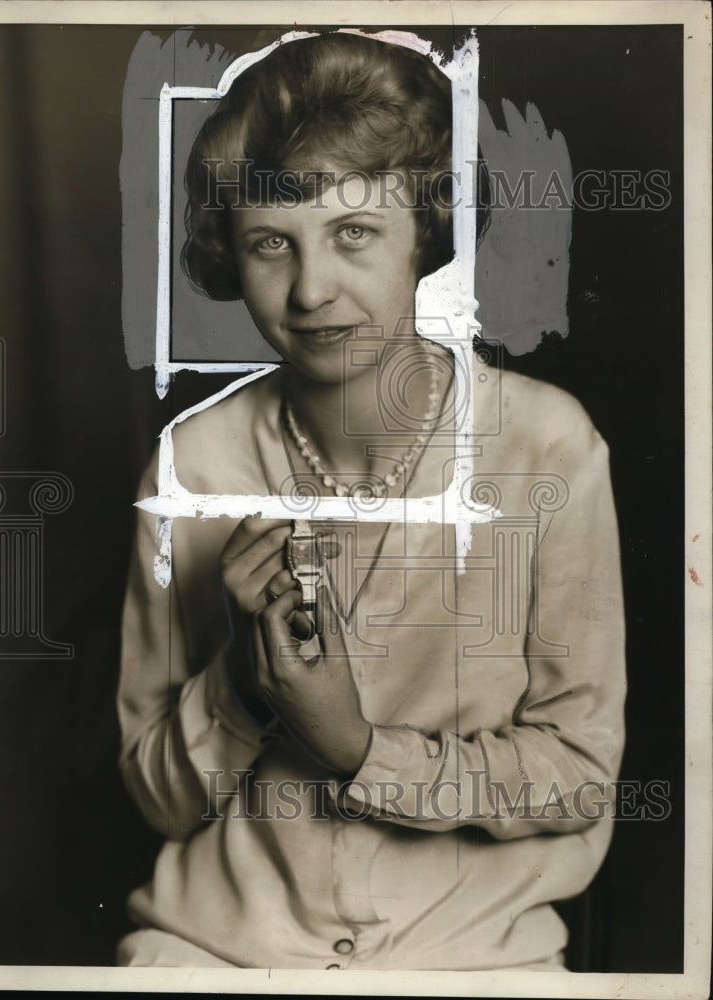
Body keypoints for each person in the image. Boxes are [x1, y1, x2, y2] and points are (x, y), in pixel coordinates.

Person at [116, 30, 626, 970]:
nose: (311, 290)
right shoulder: (194, 460)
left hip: (474, 959)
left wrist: (356, 748)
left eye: (354, 234)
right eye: (272, 244)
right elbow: (158, 799)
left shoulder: (547, 445)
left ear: (424, 232)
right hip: (217, 955)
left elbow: (579, 778)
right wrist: (240, 680)